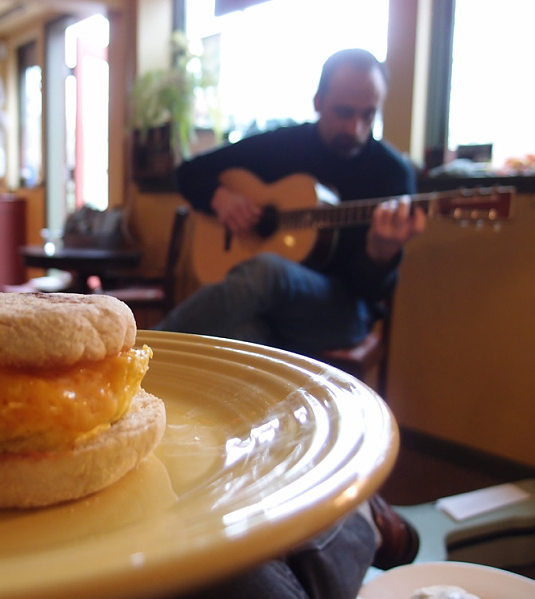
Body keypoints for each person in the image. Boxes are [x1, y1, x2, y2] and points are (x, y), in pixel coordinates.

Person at [159, 49, 423, 599]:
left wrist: (380, 253)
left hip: (342, 308)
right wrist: (222, 196)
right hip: (274, 308)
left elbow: (372, 292)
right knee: (247, 338)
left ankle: (151, 359)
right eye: (344, 112)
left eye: (368, 115)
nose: (356, 128)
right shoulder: (285, 145)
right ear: (318, 101)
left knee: (264, 273)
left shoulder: (392, 174)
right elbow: (190, 171)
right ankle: (295, 496)